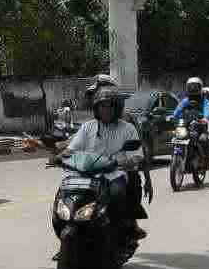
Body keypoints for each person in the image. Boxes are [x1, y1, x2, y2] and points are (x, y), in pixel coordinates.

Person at [62, 83, 146, 240]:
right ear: (96, 108)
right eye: (102, 106)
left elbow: (137, 155)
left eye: (110, 106)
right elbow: (72, 148)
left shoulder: (127, 128)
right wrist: (61, 156)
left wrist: (129, 161)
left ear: (117, 108)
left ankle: (120, 228)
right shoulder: (87, 127)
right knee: (66, 193)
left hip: (114, 174)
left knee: (117, 193)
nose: (106, 110)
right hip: (86, 174)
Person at [172, 77, 209, 164]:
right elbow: (178, 110)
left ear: (200, 87)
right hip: (186, 125)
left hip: (199, 126)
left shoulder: (204, 101)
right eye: (191, 86)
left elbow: (207, 110)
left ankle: (204, 160)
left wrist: (205, 118)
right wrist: (173, 116)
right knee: (175, 137)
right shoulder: (185, 100)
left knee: (203, 139)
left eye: (195, 86)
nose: (193, 89)